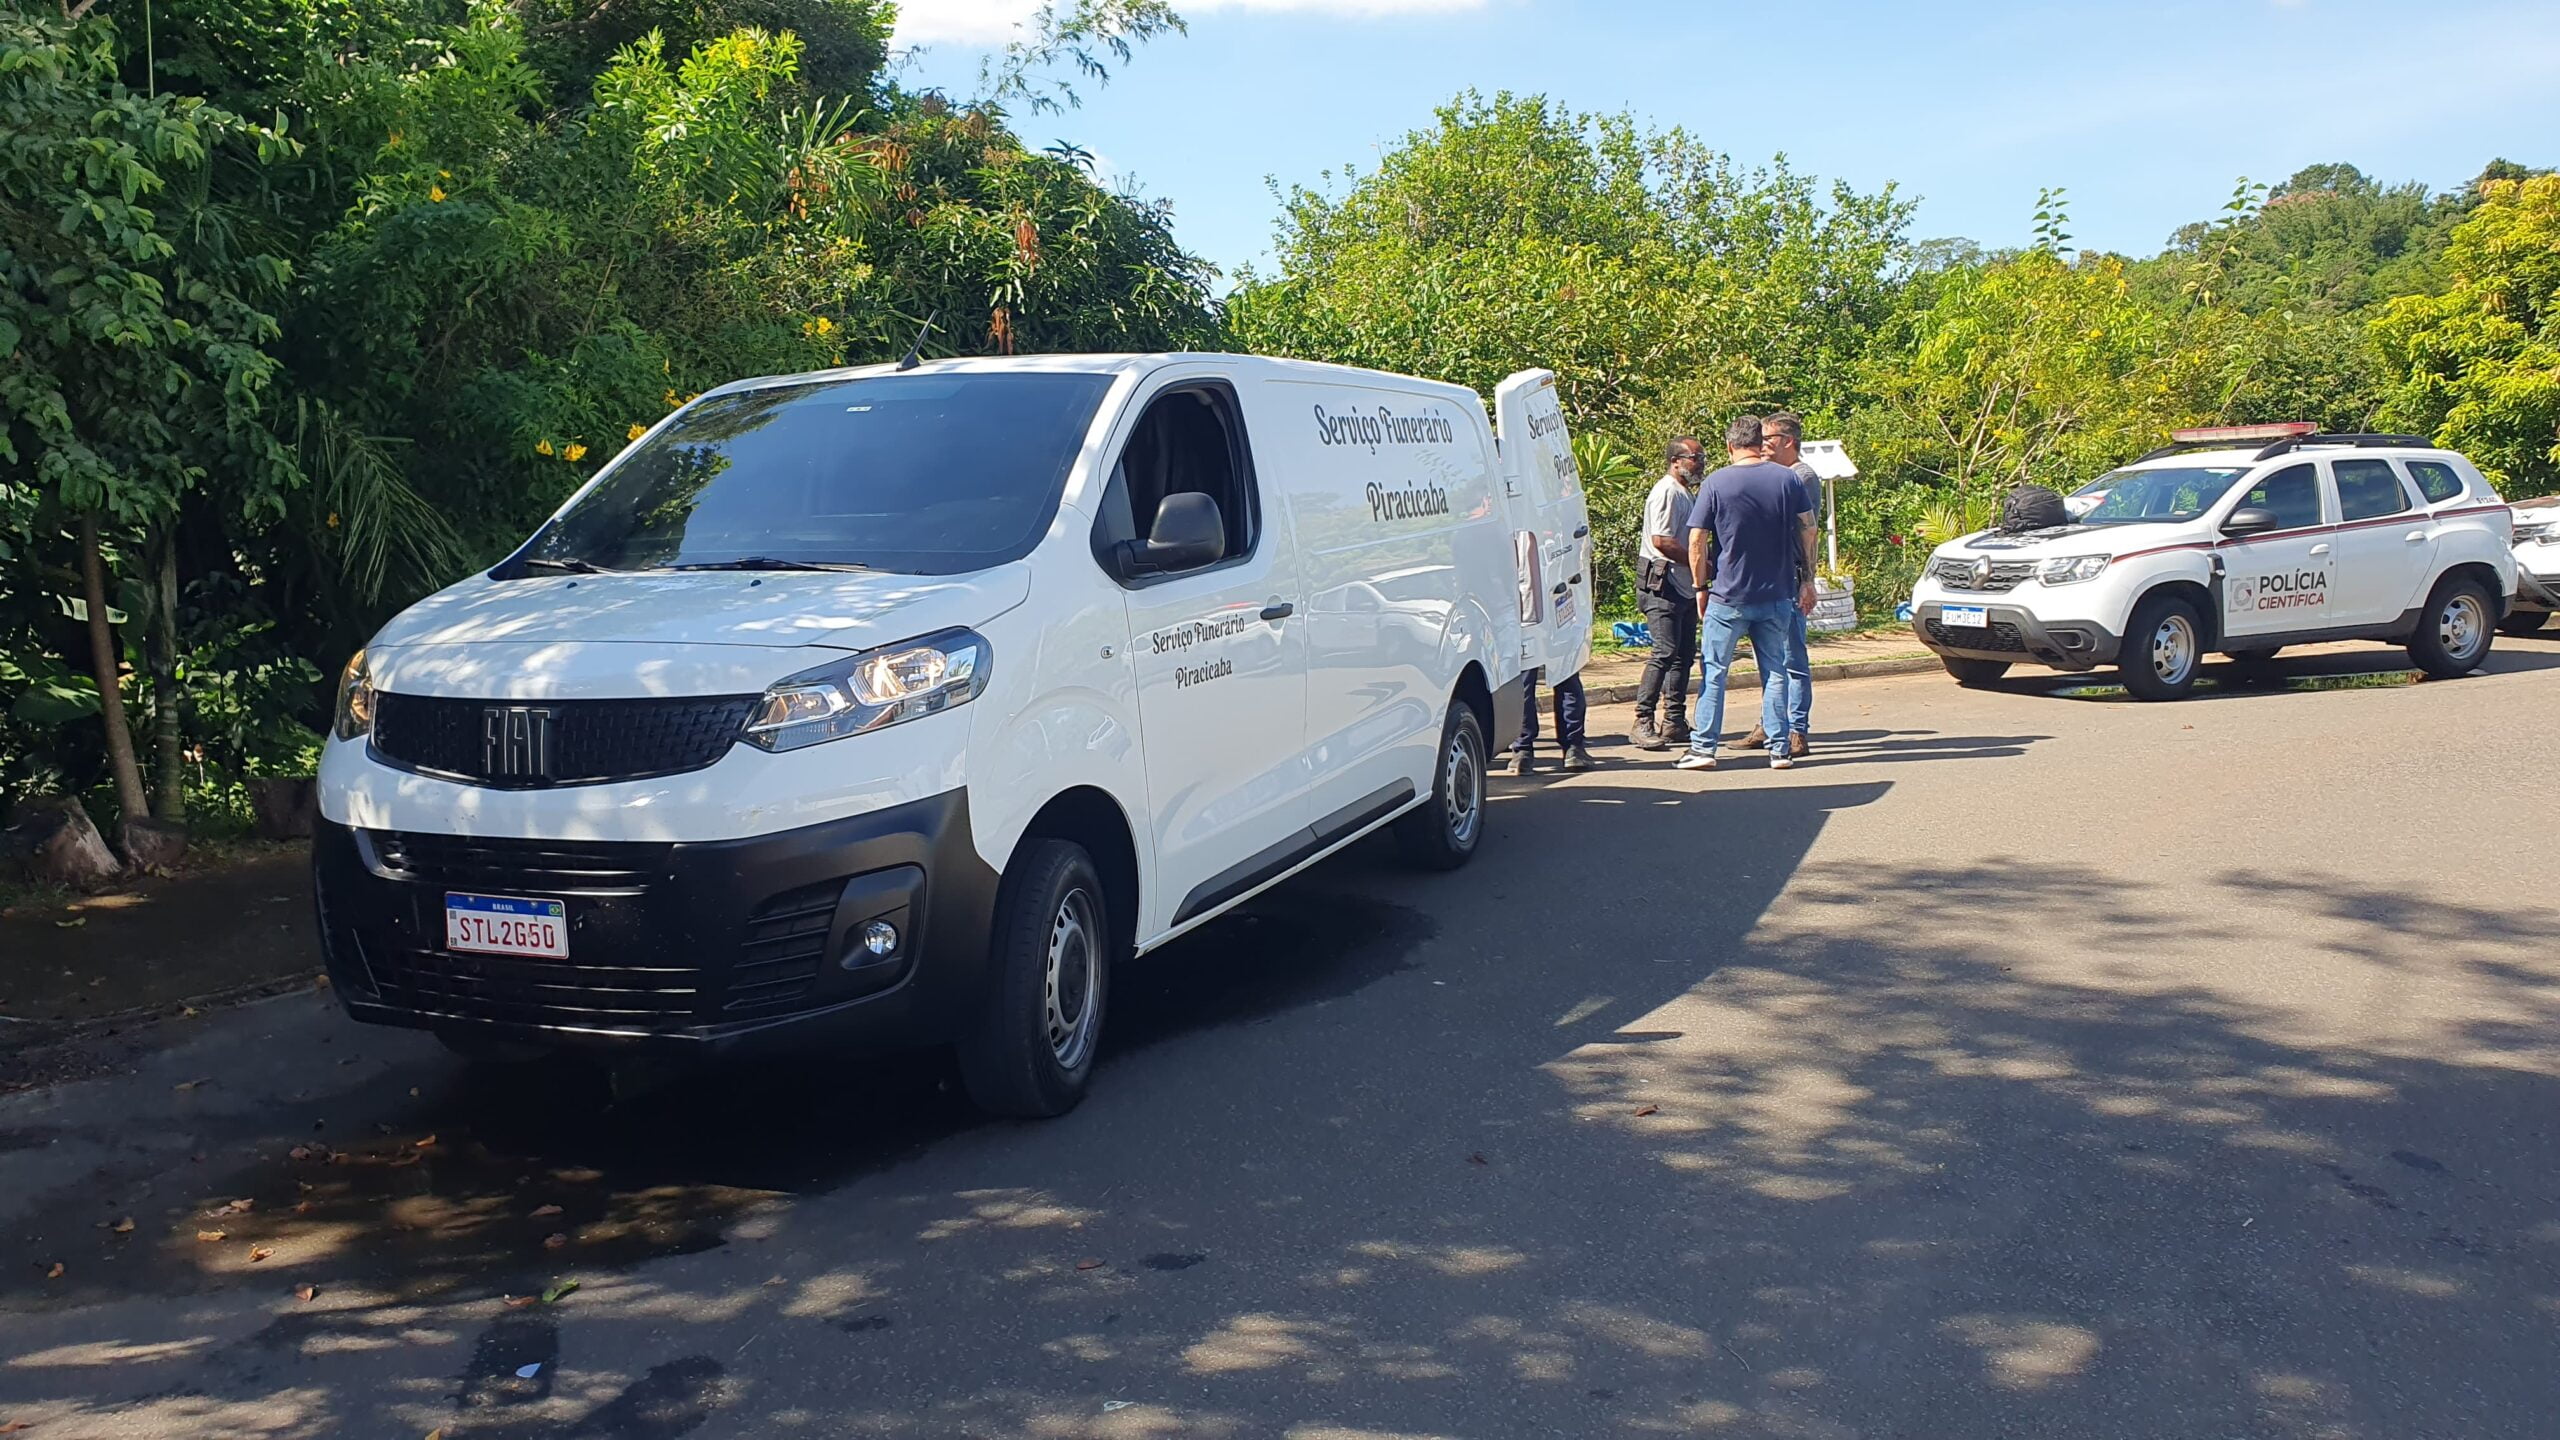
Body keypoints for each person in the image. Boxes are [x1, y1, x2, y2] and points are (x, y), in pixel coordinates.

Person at [1678, 415, 1818, 772]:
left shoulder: (1717, 482)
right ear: (1761, 442)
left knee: (1714, 671)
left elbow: (1697, 539)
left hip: (1729, 594)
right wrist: (1807, 578)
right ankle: (1779, 749)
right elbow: (1809, 529)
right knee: (1775, 671)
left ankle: (1704, 748)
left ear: (1729, 446)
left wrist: (1700, 587)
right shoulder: (1788, 479)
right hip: (1776, 593)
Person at [1744, 413, 1821, 759]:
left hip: (1789, 577)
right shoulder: (1775, 474)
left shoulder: (1801, 478)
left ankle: (1796, 730)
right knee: (1769, 657)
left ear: (1789, 441)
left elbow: (1804, 531)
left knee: (1792, 657)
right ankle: (1769, 722)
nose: (1762, 445)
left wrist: (1808, 579)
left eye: (1769, 438)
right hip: (1767, 577)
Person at [1630, 438, 1704, 750]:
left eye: (1702, 457)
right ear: (1675, 460)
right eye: (1694, 457)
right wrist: (1698, 562)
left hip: (1683, 583)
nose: (1699, 463)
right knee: (1664, 651)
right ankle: (1642, 720)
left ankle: (1674, 719)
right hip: (1664, 584)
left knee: (1683, 655)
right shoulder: (1667, 491)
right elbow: (1662, 540)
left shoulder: (1684, 492)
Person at [1507, 527, 1591, 774]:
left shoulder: (1502, 527)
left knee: (1525, 682)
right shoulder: (1546, 522)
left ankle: (1523, 750)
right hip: (1555, 606)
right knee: (1566, 675)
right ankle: (1572, 746)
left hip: (1523, 613)